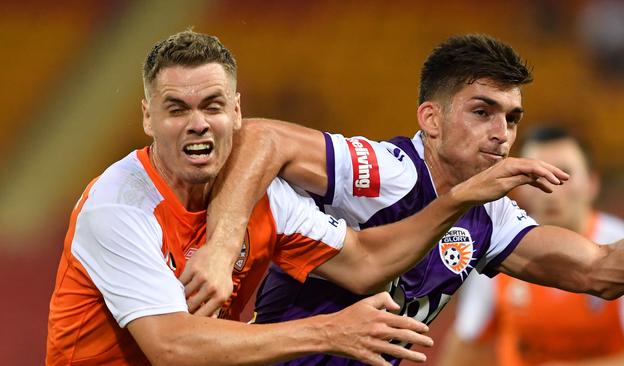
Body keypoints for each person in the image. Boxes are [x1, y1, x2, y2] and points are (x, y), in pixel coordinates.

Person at [45, 30, 566, 365]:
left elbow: (363, 263)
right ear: (147, 118)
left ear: (237, 112)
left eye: (213, 105)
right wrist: (332, 331)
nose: (198, 122)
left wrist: (459, 198)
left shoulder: (270, 197)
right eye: (176, 108)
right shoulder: (119, 207)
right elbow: (174, 346)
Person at [191, 34, 624, 365]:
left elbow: (600, 269)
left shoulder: (490, 214)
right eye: (482, 111)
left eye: (511, 119)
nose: (502, 134)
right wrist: (220, 248)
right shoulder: (386, 171)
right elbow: (261, 136)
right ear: (431, 119)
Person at [440, 126, 624, 366]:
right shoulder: (499, 248)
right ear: (517, 187)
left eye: (565, 173)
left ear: (592, 183)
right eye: (535, 176)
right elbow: (467, 345)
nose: (551, 190)